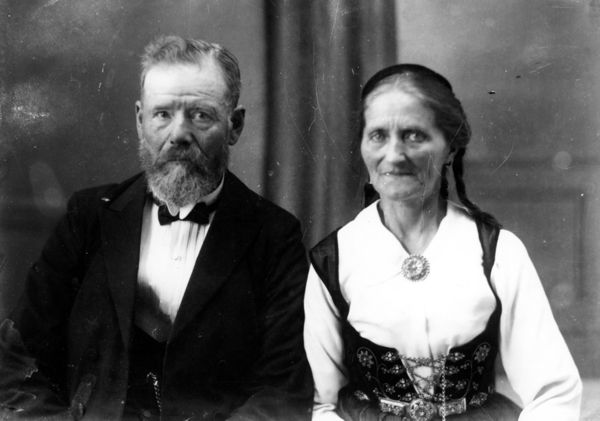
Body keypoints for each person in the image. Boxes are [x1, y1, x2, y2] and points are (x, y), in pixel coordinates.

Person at [0, 35, 312, 420]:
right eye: (162, 114)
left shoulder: (275, 236)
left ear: (235, 125)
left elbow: (283, 390)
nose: (178, 134)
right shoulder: (88, 217)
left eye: (201, 115)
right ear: (139, 121)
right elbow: (16, 362)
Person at [303, 64, 581, 420]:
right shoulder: (335, 258)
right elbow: (319, 405)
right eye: (378, 136)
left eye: (414, 135)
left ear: (450, 148)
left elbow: (554, 393)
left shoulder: (498, 252)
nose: (393, 155)